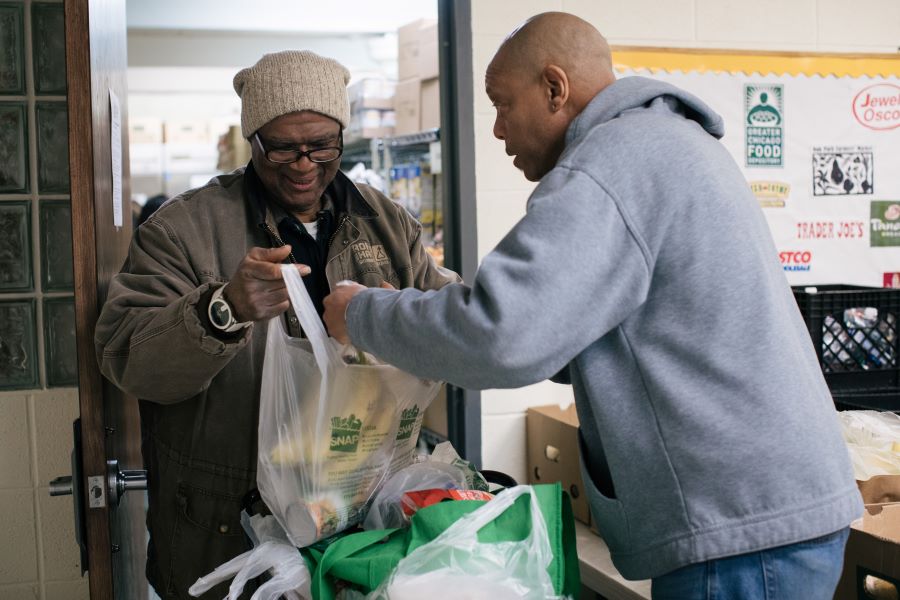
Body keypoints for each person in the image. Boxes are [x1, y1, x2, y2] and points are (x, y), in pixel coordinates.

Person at [323, 12, 862, 600]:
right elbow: (571, 332)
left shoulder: (612, 163)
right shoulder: (666, 142)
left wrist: (362, 313)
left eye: (503, 105)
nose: (499, 130)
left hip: (739, 530)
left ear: (555, 89)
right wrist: (440, 315)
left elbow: (503, 336)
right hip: (766, 512)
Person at [95, 50, 458, 600]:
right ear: (252, 140)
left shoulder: (387, 225)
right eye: (283, 147)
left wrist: (403, 318)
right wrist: (222, 310)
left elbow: (458, 326)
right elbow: (130, 358)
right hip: (226, 532)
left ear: (342, 134)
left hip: (358, 526)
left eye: (322, 145)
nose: (305, 164)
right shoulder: (182, 230)